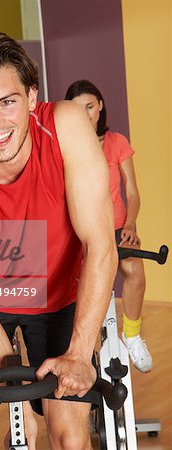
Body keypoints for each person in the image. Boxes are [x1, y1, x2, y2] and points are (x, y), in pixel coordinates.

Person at [0, 33, 118, 450]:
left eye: (7, 102)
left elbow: (100, 246)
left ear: (31, 97)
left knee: (68, 436)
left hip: (60, 298)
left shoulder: (65, 126)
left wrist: (81, 354)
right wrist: (18, 403)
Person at [65, 79, 152, 373]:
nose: (86, 115)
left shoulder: (116, 143)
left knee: (135, 271)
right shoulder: (67, 147)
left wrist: (130, 225)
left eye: (90, 107)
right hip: (82, 231)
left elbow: (133, 193)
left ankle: (132, 334)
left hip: (116, 227)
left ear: (100, 106)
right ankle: (84, 349)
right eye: (78, 110)